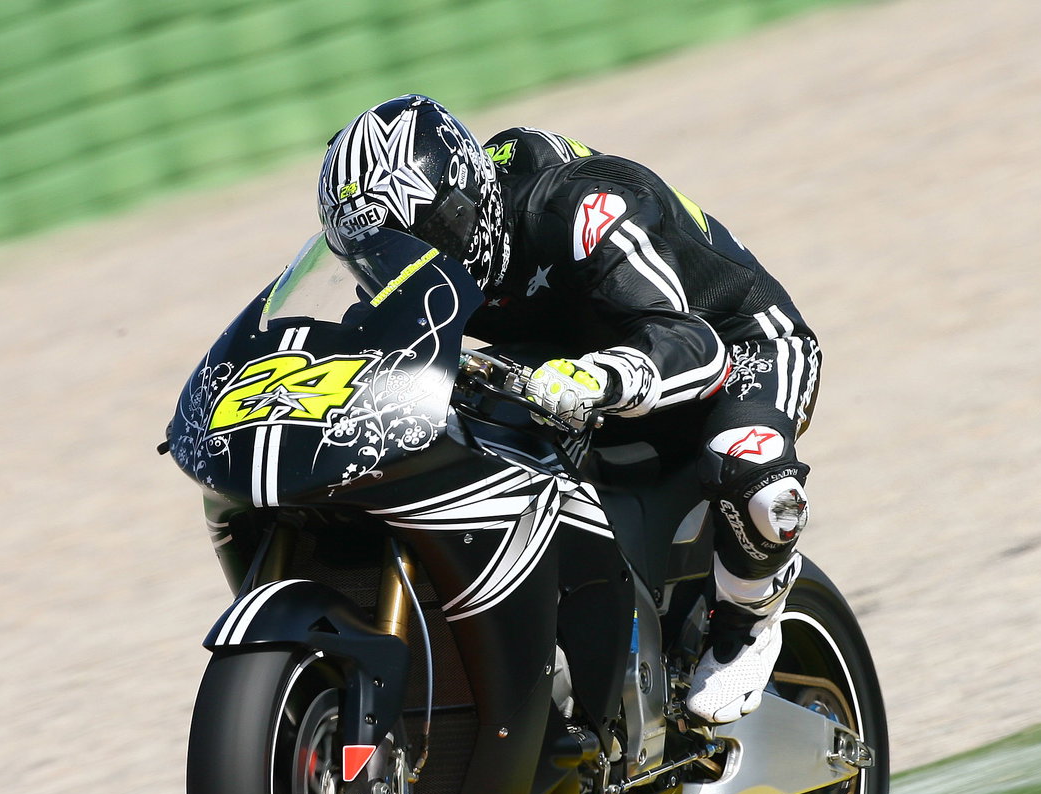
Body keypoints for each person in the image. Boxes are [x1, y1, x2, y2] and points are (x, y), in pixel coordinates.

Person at [318, 95, 820, 725]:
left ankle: (747, 628)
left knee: (752, 472)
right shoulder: (434, 273)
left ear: (469, 199)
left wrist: (599, 374)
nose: (418, 262)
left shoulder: (579, 210)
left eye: (430, 237)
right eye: (382, 254)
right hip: (571, 357)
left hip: (736, 341)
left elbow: (692, 341)